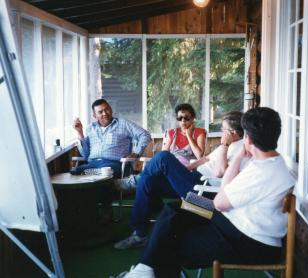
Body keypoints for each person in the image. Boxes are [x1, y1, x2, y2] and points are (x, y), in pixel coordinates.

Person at [112, 107, 295, 278]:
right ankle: (143, 270)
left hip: (246, 240)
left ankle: (144, 270)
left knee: (169, 244)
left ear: (247, 138)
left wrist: (235, 162)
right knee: (174, 209)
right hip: (230, 220)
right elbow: (224, 193)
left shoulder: (262, 171)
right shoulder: (266, 162)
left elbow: (220, 201)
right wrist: (239, 156)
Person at [113, 111, 246, 250]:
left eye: (223, 129)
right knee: (147, 182)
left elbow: (219, 172)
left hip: (204, 195)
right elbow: (206, 159)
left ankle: (134, 182)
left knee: (163, 157)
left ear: (234, 132)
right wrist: (185, 168)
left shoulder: (240, 149)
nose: (221, 131)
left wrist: (224, 145)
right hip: (193, 179)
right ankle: (139, 234)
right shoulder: (229, 144)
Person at [72, 99, 151, 178]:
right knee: (74, 172)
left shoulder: (123, 124)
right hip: (93, 164)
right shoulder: (90, 128)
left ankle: (95, 173)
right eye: (100, 112)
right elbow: (86, 155)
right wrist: (80, 133)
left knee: (106, 172)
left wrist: (137, 152)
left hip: (114, 164)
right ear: (94, 115)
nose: (105, 113)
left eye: (107, 109)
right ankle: (94, 173)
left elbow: (145, 134)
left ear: (111, 109)